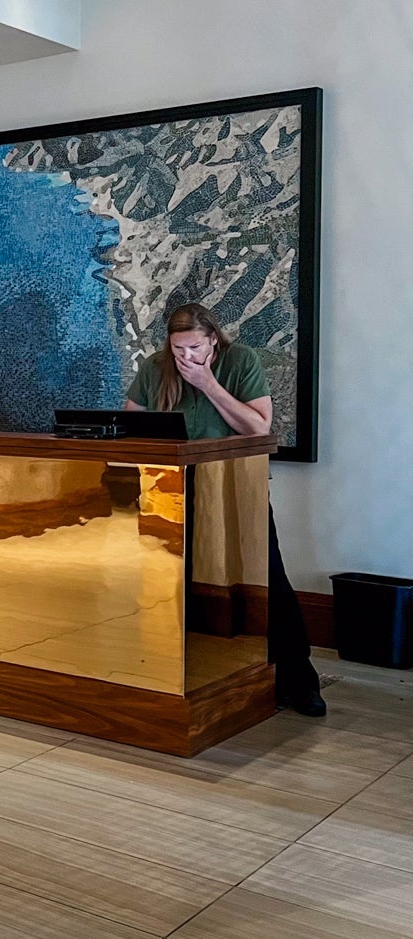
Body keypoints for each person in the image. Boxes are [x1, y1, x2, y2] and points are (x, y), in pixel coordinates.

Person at [125, 302, 325, 717]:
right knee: (166, 578)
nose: (186, 357)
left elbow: (258, 427)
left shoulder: (240, 360)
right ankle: (169, 673)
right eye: (178, 349)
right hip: (169, 488)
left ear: (213, 339)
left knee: (267, 576)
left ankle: (297, 679)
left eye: (195, 348)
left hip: (235, 485)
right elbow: (131, 426)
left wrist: (208, 384)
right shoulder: (156, 367)